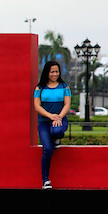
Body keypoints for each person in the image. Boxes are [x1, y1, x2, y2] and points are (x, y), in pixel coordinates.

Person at [33, 61, 71, 189]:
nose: (55, 74)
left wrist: (59, 116)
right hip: (44, 121)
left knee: (57, 132)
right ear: (47, 72)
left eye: (57, 71)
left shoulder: (65, 87)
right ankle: (45, 180)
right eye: (52, 71)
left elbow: (67, 104)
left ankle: (56, 139)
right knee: (47, 150)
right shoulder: (39, 88)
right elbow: (37, 106)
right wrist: (50, 116)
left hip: (60, 119)